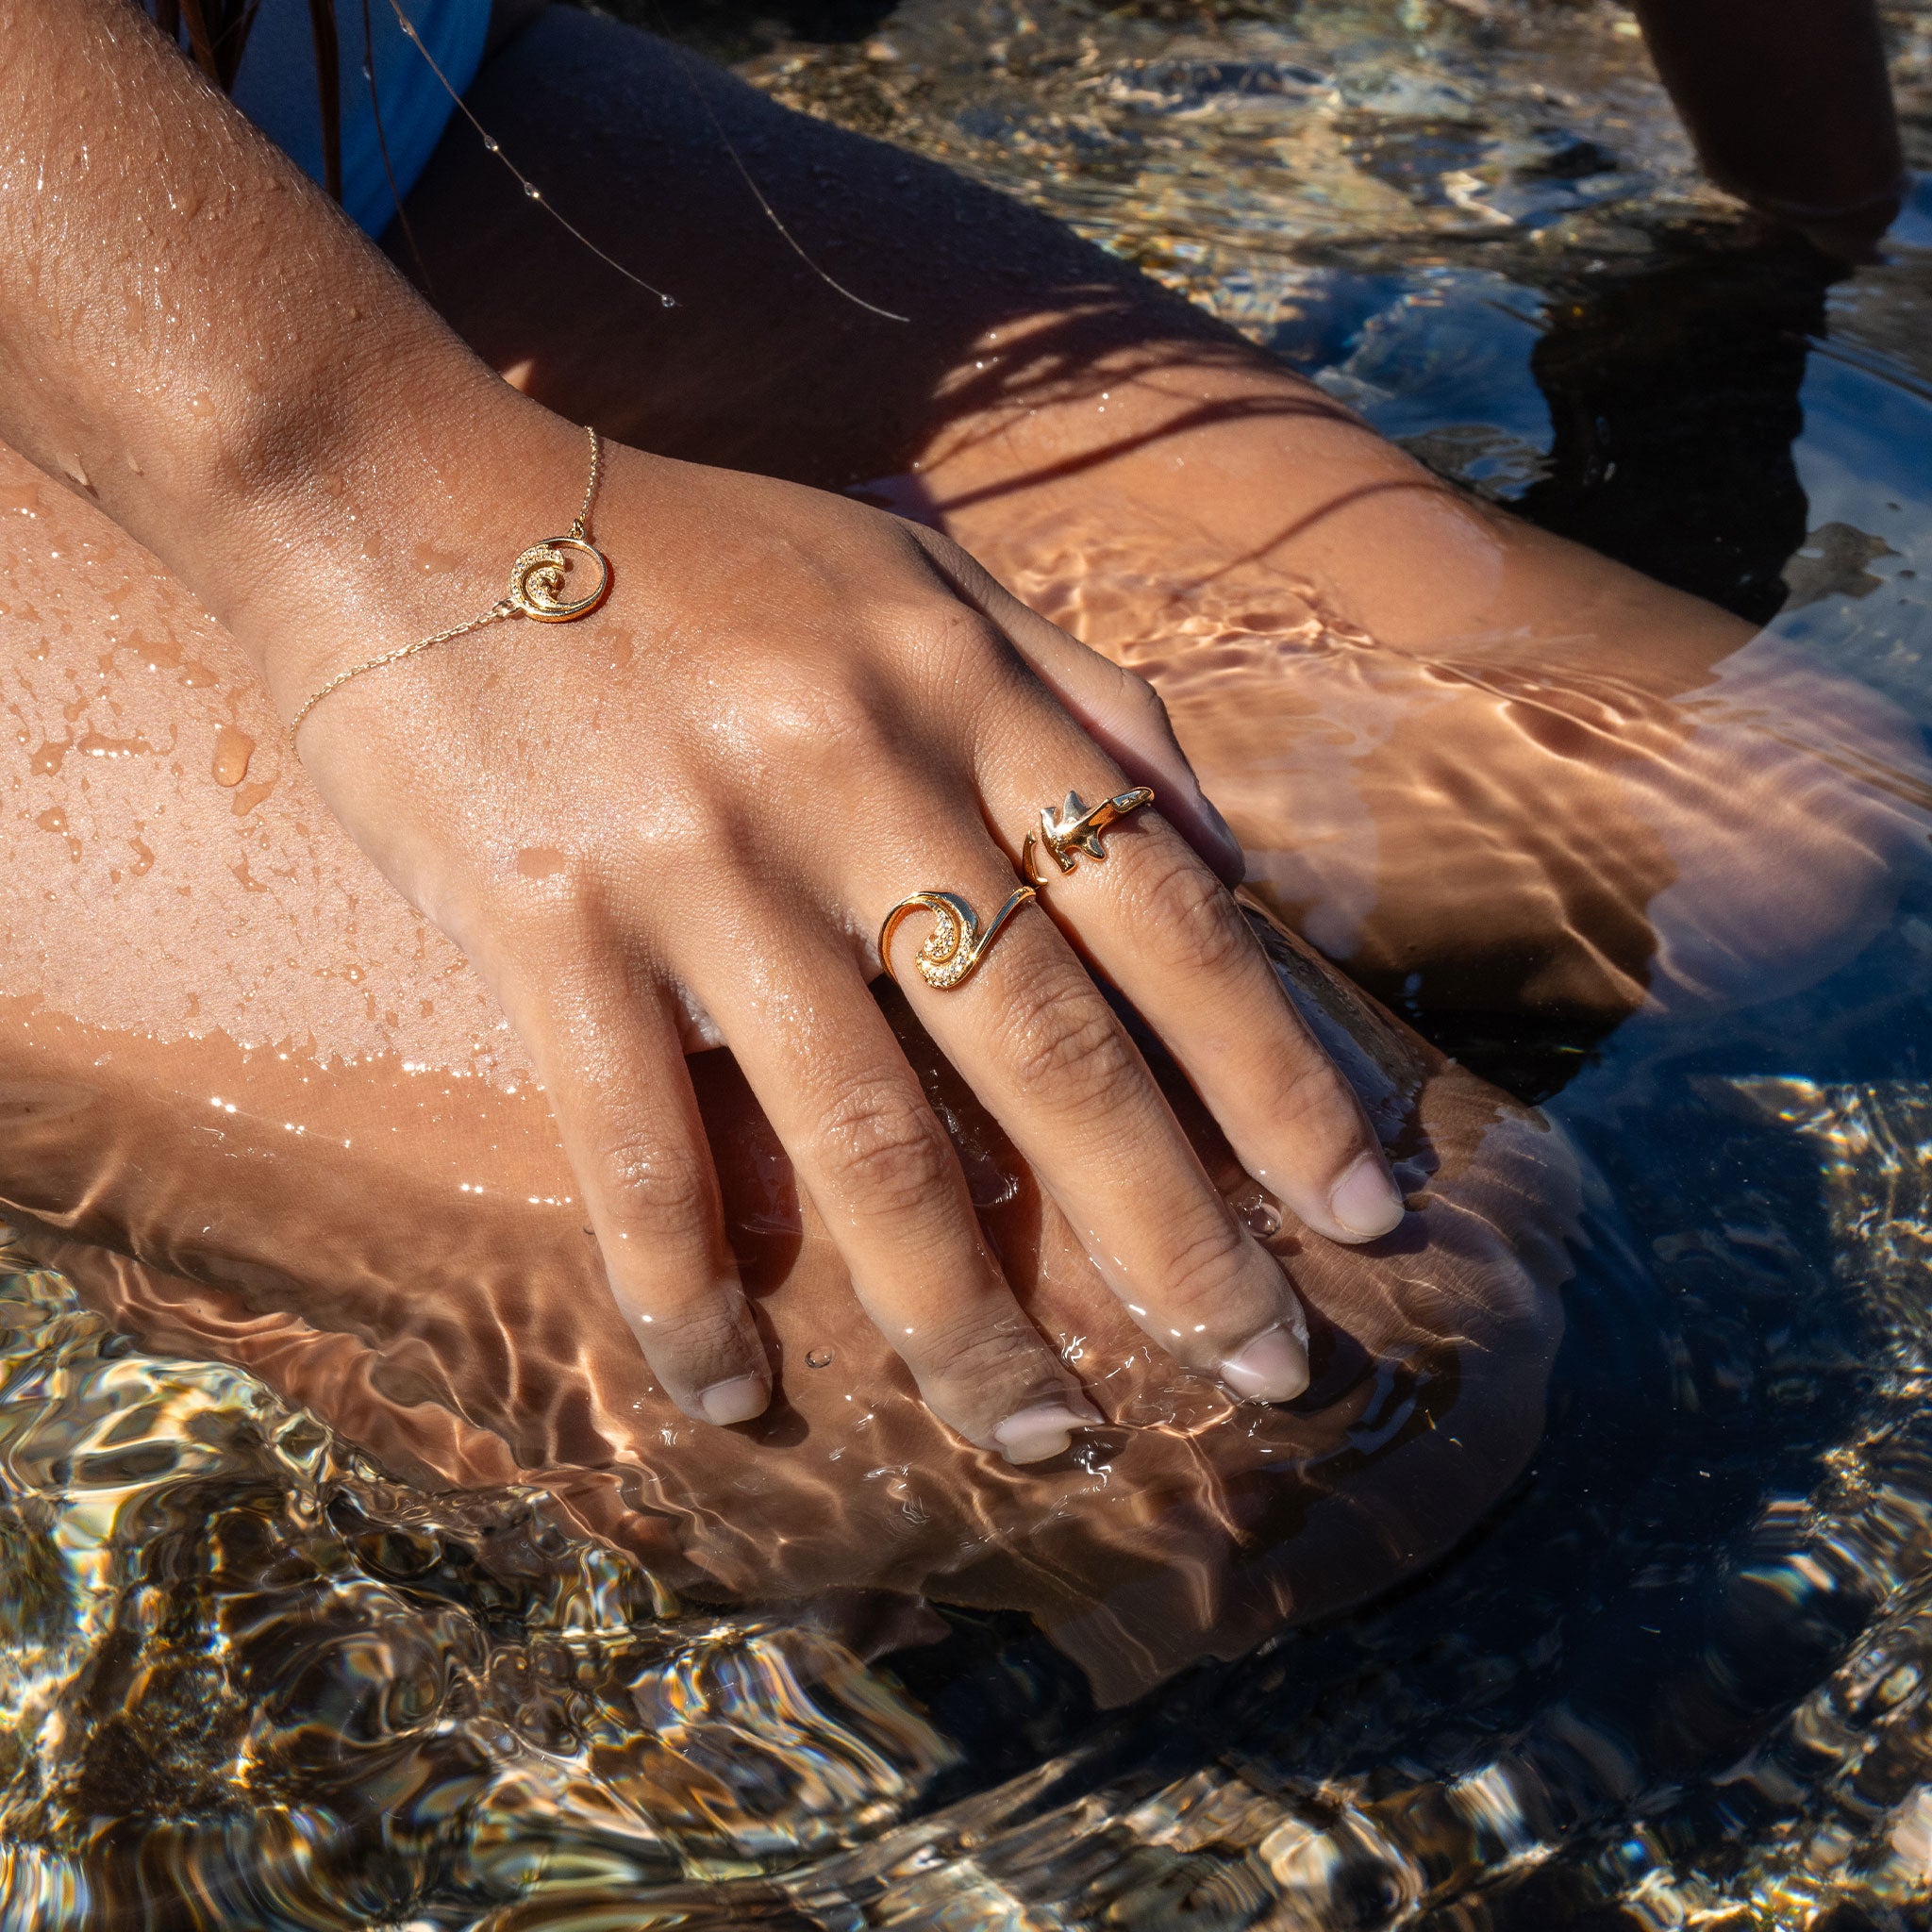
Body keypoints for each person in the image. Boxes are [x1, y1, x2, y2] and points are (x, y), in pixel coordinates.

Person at [0, 0, 1921, 1671]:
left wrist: (1825, 226)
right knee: (1279, 1394)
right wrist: (393, 519)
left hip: (336, 88)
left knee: (1775, 836)